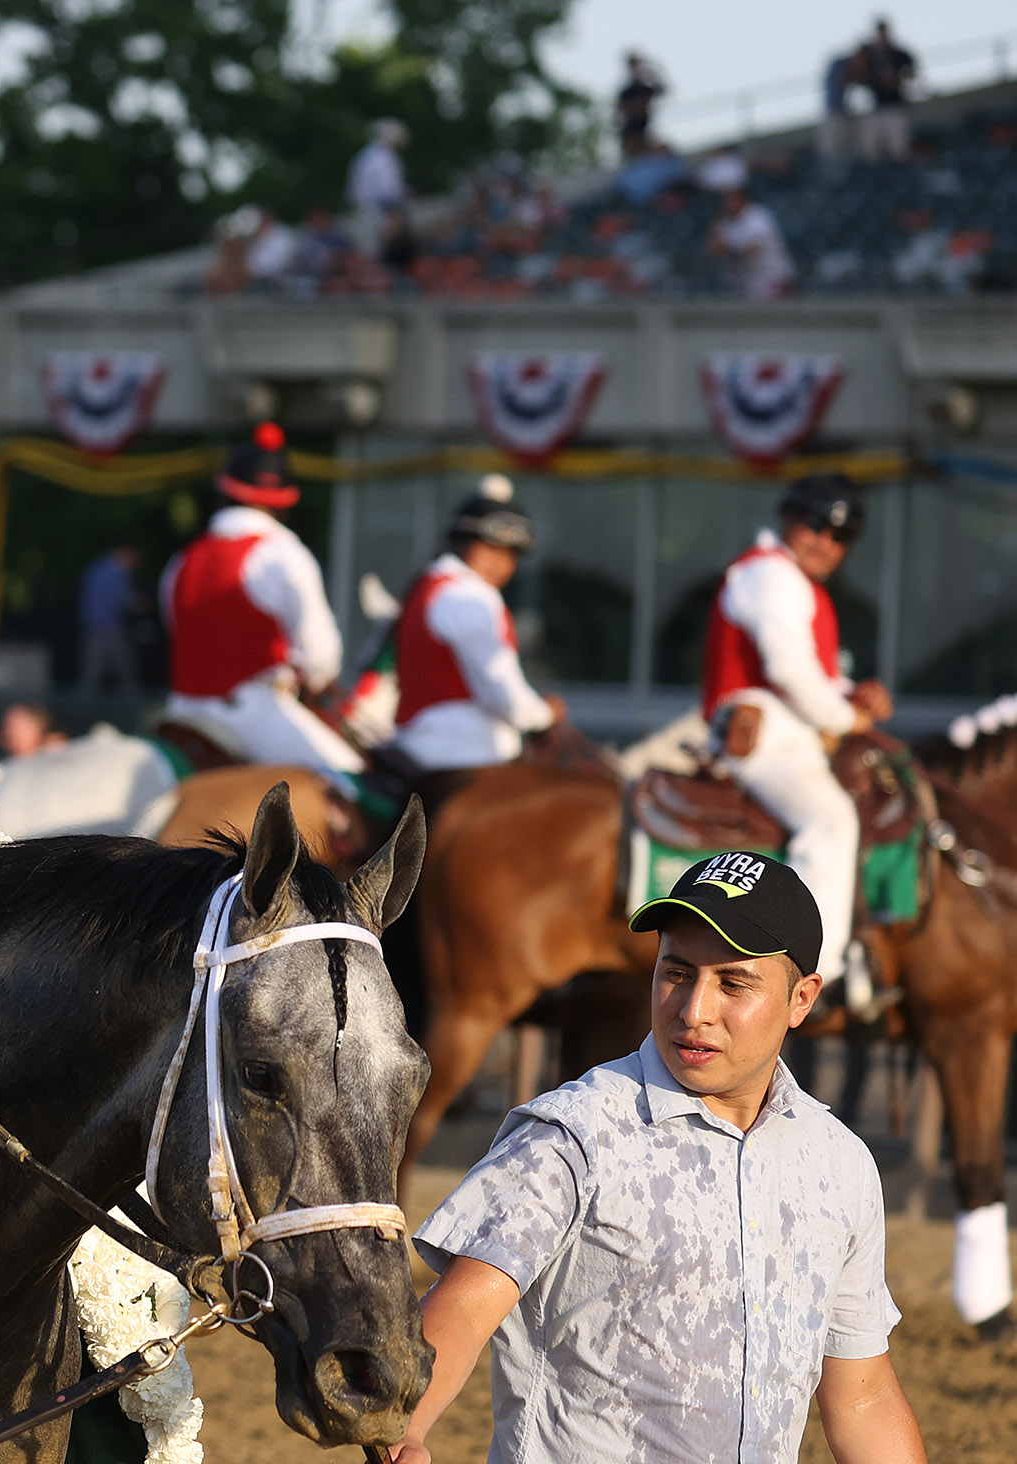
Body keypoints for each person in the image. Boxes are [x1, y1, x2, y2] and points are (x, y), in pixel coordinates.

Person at [393, 856, 924, 1464]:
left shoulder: (840, 1165)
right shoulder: (573, 1135)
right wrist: (402, 1429)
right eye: (676, 972)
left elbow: (862, 1398)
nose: (693, 1009)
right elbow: (462, 1306)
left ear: (801, 999)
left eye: (733, 983)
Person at [701, 474, 890, 1014]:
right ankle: (815, 974)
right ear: (789, 519)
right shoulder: (771, 573)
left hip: (788, 730)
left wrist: (851, 694)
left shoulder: (791, 580)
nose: (826, 542)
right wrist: (847, 715)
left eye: (840, 536)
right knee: (830, 820)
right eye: (816, 526)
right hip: (765, 735)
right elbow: (788, 671)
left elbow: (812, 676)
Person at [159, 422, 364, 793]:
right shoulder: (284, 552)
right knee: (354, 783)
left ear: (226, 490)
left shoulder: (182, 560)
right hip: (250, 714)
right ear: (284, 500)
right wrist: (314, 680)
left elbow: (176, 629)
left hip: (180, 711)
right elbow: (320, 658)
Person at [384, 477, 563, 772]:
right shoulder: (472, 595)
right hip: (464, 748)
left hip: (419, 739)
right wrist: (545, 715)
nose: (501, 563)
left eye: (511, 554)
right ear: (461, 543)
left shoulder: (428, 584)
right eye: (491, 549)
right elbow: (504, 694)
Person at [709, 180, 796, 300]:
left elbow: (751, 252)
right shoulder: (725, 220)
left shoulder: (758, 217)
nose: (727, 204)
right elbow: (712, 249)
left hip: (773, 278)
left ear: (742, 199)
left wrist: (726, 247)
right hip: (746, 281)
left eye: (731, 199)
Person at [78, 545, 142, 695]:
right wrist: (137, 603)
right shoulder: (115, 573)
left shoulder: (96, 568)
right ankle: (137, 714)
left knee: (89, 677)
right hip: (111, 629)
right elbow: (119, 602)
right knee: (128, 675)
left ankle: (78, 714)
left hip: (92, 629)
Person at [348, 119, 410, 259]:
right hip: (380, 215)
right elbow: (388, 193)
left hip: (362, 213)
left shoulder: (365, 156)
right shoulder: (385, 158)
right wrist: (394, 218)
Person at [858, 19, 917, 163]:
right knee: (871, 150)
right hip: (877, 108)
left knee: (899, 148)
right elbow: (858, 75)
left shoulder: (899, 54)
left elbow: (912, 74)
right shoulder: (870, 56)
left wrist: (898, 80)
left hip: (895, 106)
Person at [820, 45, 867, 163]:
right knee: (832, 148)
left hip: (847, 116)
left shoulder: (859, 72)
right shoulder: (840, 65)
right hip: (835, 113)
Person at [615, 52, 665, 159]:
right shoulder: (627, 91)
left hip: (644, 133)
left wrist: (650, 73)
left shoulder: (644, 88)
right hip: (634, 134)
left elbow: (661, 90)